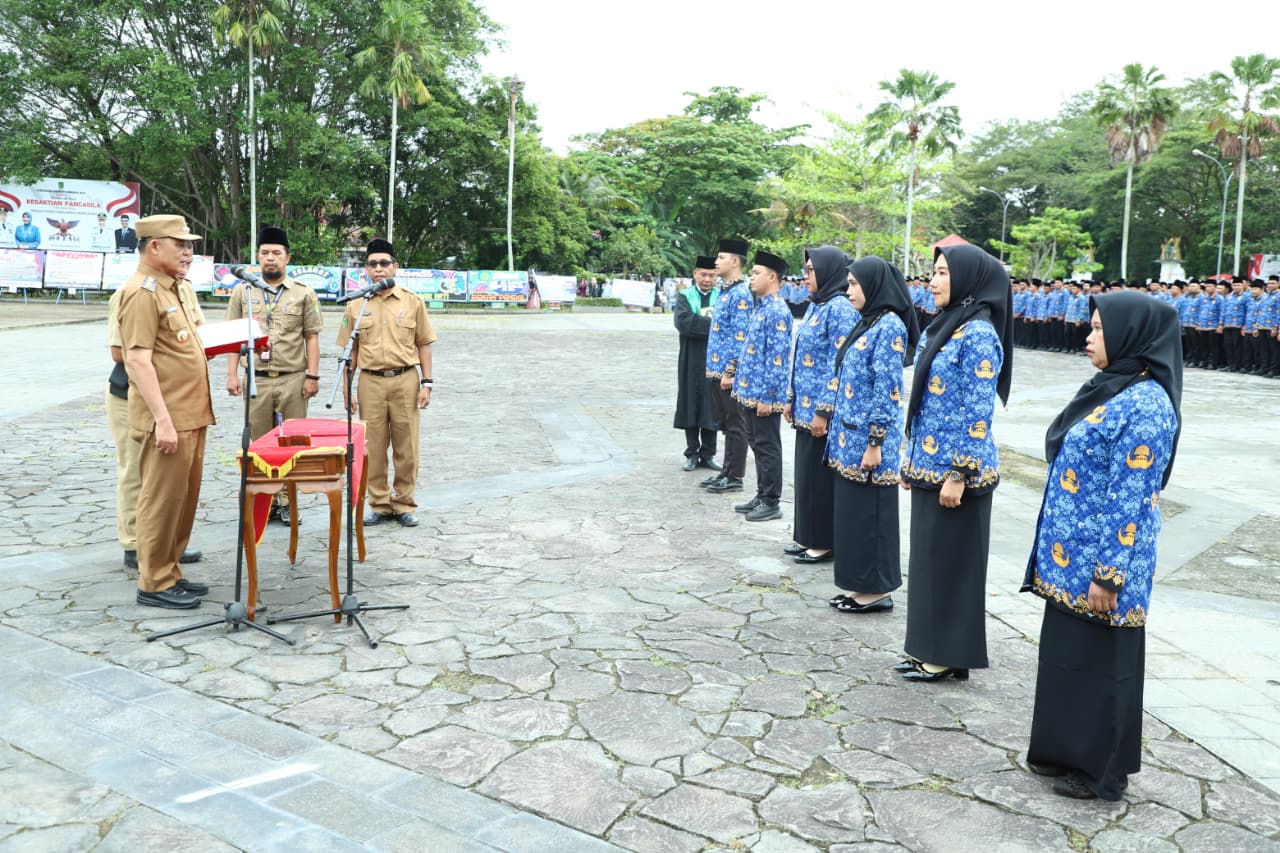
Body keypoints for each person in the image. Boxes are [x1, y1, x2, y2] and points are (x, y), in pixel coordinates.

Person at [1023, 291, 1182, 801]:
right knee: (1068, 658)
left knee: (1103, 667)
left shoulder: (1148, 404)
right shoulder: (1112, 387)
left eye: (1098, 329)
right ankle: (1061, 749)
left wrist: (1109, 574)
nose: (1087, 337)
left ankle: (1101, 771)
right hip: (1071, 557)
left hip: (1102, 564)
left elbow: (1130, 498)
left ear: (1131, 335)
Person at [898, 242, 1012, 682]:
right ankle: (927, 647)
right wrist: (912, 460)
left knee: (950, 567)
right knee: (929, 563)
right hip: (930, 465)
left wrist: (959, 473)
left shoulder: (979, 334)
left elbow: (976, 413)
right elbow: (924, 404)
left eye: (944, 273)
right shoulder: (948, 325)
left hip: (957, 475)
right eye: (935, 272)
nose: (933, 281)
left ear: (967, 280)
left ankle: (946, 654)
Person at [117, 215, 214, 609]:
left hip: (189, 415)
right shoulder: (142, 293)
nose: (188, 251)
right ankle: (153, 582)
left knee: (182, 499)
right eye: (180, 244)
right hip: (168, 420)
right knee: (160, 500)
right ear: (154, 246)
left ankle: (170, 569)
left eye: (189, 244)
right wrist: (162, 421)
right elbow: (137, 362)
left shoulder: (169, 288)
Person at [825, 255, 919, 612]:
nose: (848, 290)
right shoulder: (868, 322)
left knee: (872, 517)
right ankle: (856, 584)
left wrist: (876, 442)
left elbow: (887, 390)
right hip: (850, 438)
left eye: (854, 284)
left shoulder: (889, 326)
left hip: (870, 442)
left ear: (874, 286)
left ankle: (876, 590)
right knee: (853, 515)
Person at [224, 226, 323, 525]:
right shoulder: (243, 291)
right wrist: (232, 374)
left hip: (293, 378)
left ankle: (289, 503)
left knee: (292, 444)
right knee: (261, 443)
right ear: (257, 256)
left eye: (276, 254)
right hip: (257, 378)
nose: (270, 259)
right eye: (265, 253)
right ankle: (267, 502)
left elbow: (312, 337)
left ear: (287, 258)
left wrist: (313, 377)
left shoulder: (303, 293)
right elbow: (234, 335)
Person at [338, 238, 436, 527]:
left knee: (407, 447)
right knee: (374, 447)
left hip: (405, 380)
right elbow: (350, 351)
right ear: (366, 269)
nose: (379, 269)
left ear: (396, 266)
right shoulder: (356, 305)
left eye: (384, 263)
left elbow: (424, 344)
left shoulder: (412, 301)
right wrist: (347, 389)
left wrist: (427, 383)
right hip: (370, 382)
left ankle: (404, 503)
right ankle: (379, 504)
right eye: (373, 264)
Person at [784, 246, 858, 562]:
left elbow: (839, 363)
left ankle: (823, 540)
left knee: (820, 480)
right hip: (804, 406)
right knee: (805, 476)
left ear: (829, 271)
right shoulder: (818, 304)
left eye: (812, 270)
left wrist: (824, 410)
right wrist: (791, 397)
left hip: (822, 413)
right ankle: (806, 535)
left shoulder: (840, 308)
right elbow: (801, 356)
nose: (806, 275)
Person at [730, 250, 792, 522]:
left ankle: (771, 500)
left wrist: (768, 396)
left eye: (756, 273)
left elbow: (777, 360)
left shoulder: (778, 311)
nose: (751, 278)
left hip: (764, 395)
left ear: (772, 277)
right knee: (757, 443)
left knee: (767, 446)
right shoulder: (762, 307)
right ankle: (761, 492)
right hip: (750, 391)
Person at [702, 238, 753, 494]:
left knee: (736, 425)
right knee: (725, 424)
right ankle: (726, 470)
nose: (716, 262)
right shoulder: (725, 291)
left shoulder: (742, 293)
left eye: (721, 257)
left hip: (728, 373)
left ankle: (735, 475)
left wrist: (731, 370)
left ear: (735, 261)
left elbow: (740, 336)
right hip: (715, 369)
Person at [673, 256, 722, 471]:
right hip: (690, 358)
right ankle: (691, 453)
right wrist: (713, 326)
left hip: (714, 359)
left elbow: (725, 325)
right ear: (695, 274)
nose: (707, 279)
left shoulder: (722, 296)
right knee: (690, 402)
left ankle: (709, 454)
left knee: (712, 406)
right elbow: (684, 323)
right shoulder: (685, 296)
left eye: (711, 275)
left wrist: (700, 324)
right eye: (703, 274)